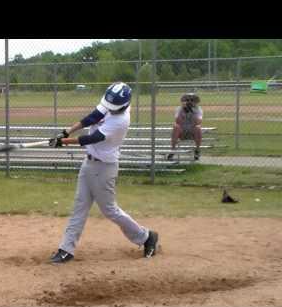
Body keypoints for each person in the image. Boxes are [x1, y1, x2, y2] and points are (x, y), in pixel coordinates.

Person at [48, 82, 159, 264]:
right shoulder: (111, 102)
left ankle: (146, 237)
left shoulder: (121, 120)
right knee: (80, 206)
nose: (110, 109)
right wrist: (66, 131)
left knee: (110, 210)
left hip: (104, 168)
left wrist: (63, 142)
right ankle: (66, 249)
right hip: (89, 162)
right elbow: (92, 117)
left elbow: (93, 138)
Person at [167, 93, 203, 161]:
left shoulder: (198, 109)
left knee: (198, 128)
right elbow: (178, 121)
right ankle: (172, 150)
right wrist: (183, 110)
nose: (189, 102)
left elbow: (198, 122)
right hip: (182, 131)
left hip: (192, 131)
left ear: (195, 101)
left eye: (192, 100)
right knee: (176, 126)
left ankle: (197, 150)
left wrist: (192, 112)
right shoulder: (179, 109)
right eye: (187, 100)